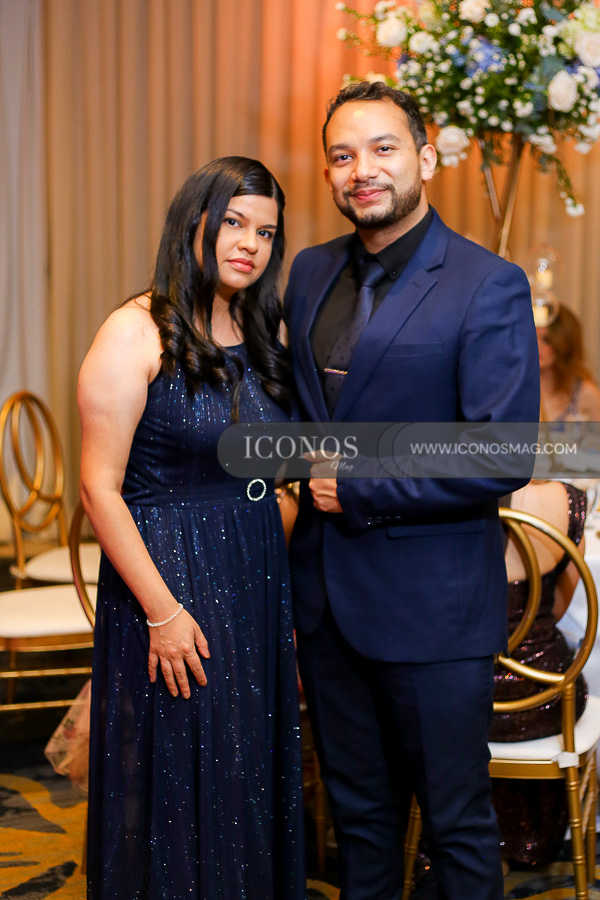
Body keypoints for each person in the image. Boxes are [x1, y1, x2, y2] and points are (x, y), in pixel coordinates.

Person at [284, 81, 540, 900]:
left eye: (383, 148)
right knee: (359, 825)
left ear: (427, 159)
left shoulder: (486, 283)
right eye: (342, 155)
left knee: (456, 826)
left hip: (433, 610)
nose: (361, 169)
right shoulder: (309, 272)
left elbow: (503, 453)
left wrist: (357, 484)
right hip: (326, 607)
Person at [78, 157, 305, 899]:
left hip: (252, 580)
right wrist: (162, 612)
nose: (250, 244)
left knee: (242, 771)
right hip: (169, 586)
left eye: (266, 232)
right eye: (234, 222)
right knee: (181, 777)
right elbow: (99, 488)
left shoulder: (259, 328)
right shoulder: (135, 330)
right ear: (194, 223)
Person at [492, 481, 587, 868]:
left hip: (462, 694)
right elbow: (558, 608)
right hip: (544, 693)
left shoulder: (438, 500)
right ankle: (532, 835)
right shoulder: (566, 501)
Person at [538, 304, 600, 422]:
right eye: (533, 338)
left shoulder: (585, 393)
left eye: (547, 340)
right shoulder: (518, 389)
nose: (537, 346)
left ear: (564, 343)